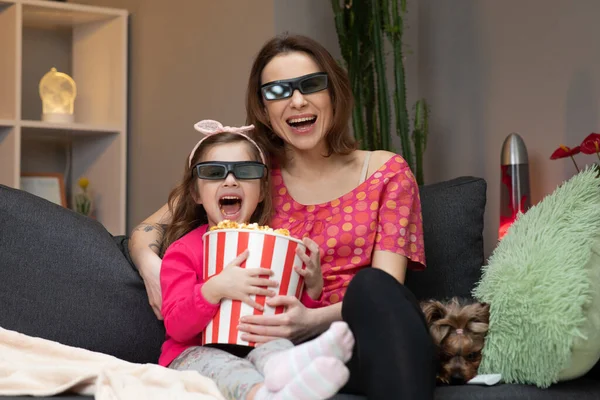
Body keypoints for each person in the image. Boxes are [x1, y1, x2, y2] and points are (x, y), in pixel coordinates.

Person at [130, 34, 436, 399]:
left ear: (333, 93)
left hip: (354, 334)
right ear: (263, 108)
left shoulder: (387, 171)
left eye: (311, 85)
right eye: (277, 91)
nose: (297, 101)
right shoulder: (250, 171)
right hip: (273, 349)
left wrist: (309, 321)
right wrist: (151, 264)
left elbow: (387, 291)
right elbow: (154, 226)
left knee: (369, 287)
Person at [158, 118, 355, 400]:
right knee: (229, 369)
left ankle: (296, 371)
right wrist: (214, 289)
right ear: (195, 193)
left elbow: (285, 313)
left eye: (245, 171)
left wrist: (312, 288)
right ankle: (263, 395)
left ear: (262, 191)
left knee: (277, 352)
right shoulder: (184, 250)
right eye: (214, 172)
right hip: (192, 354)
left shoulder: (274, 245)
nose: (230, 180)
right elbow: (176, 326)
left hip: (258, 345)